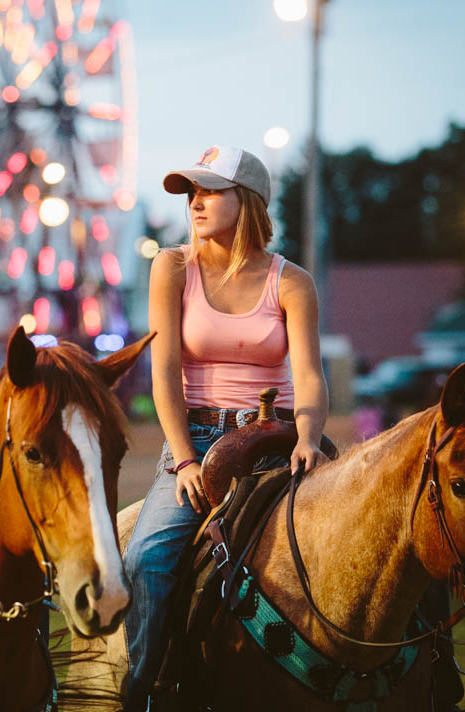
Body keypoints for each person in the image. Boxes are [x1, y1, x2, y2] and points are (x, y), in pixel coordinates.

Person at [121, 144, 329, 710]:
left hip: (277, 435)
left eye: (211, 190)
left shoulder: (292, 281)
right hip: (200, 440)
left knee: (369, 526)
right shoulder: (173, 266)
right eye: (192, 192)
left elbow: (309, 375)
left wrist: (309, 437)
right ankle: (144, 686)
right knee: (145, 558)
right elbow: (164, 371)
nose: (196, 202)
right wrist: (185, 459)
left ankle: (428, 677)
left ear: (251, 200)